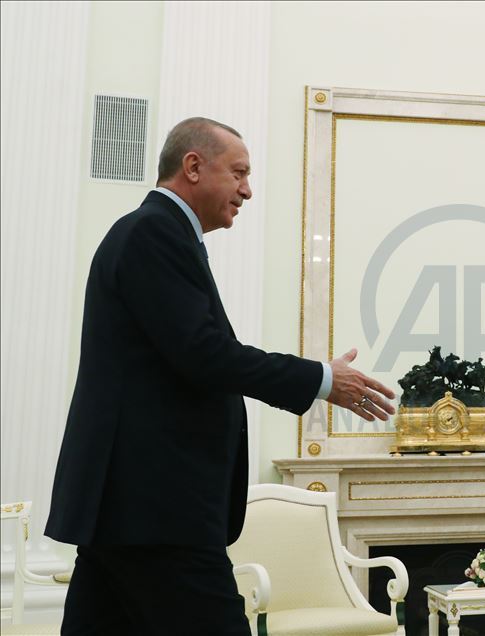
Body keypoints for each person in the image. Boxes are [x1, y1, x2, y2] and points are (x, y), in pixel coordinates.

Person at [45, 117, 395, 635]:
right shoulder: (154, 232)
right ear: (193, 166)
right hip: (157, 511)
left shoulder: (154, 232)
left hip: (130, 508)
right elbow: (204, 354)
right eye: (239, 173)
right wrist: (321, 379)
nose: (247, 190)